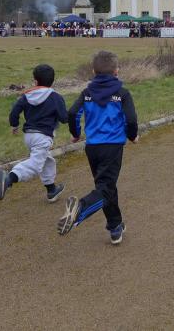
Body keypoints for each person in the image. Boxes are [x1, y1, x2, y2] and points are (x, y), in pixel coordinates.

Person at [57, 51, 139, 244]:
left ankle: (115, 226)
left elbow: (73, 113)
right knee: (106, 188)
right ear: (116, 71)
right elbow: (131, 119)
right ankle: (80, 209)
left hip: (93, 148)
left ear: (94, 71)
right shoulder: (122, 93)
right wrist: (132, 135)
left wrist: (76, 133)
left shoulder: (87, 94)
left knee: (105, 186)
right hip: (112, 147)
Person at [0, 64, 68, 203]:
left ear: (35, 81)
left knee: (47, 161)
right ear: (53, 81)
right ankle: (9, 178)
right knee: (35, 165)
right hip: (43, 137)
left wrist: (14, 124)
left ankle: (51, 190)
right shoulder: (55, 97)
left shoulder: (26, 96)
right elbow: (64, 118)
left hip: (29, 136)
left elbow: (14, 111)